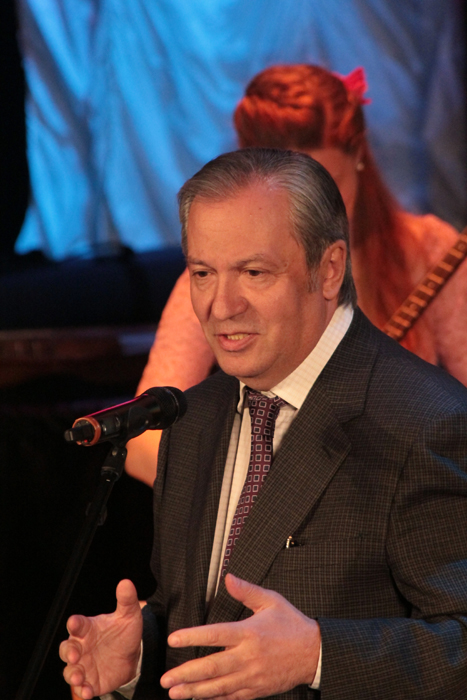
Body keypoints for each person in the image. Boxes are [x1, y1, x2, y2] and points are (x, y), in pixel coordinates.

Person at [60, 149, 467, 699]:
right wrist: (139, 655)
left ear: (329, 269)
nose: (221, 306)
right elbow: (201, 619)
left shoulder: (427, 421)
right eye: (203, 273)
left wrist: (317, 656)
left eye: (253, 273)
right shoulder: (192, 418)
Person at [125, 65, 467, 487]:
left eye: (328, 189)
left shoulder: (431, 252)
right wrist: (257, 493)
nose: (309, 219)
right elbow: (144, 439)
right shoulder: (216, 280)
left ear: (359, 157)